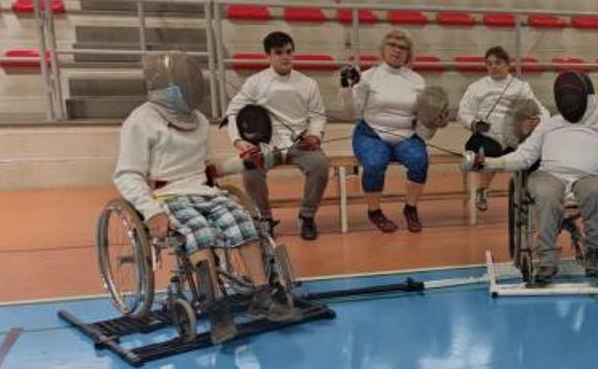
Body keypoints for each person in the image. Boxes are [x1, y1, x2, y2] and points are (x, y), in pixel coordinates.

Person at [113, 52, 293, 342]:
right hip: (166, 196)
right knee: (201, 233)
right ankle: (216, 304)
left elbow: (209, 168)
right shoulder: (140, 120)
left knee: (244, 224)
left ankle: (262, 294)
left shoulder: (197, 119)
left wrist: (246, 161)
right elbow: (126, 174)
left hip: (203, 190)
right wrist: (150, 210)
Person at [465, 71, 598, 285]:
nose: (568, 102)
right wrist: (488, 163)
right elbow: (524, 156)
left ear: (586, 98)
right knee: (545, 193)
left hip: (589, 178)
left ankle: (595, 254)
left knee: (596, 190)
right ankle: (547, 259)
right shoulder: (549, 124)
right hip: (549, 176)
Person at [339, 30, 449, 233]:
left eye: (402, 47)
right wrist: (346, 88)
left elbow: (423, 119)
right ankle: (374, 212)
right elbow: (353, 112)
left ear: (409, 53)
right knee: (375, 163)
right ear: (383, 49)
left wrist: (435, 123)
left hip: (405, 135)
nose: (397, 50)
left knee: (419, 161)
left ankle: (410, 208)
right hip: (371, 133)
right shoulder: (367, 76)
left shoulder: (417, 80)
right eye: (392, 45)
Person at [225, 31, 329, 240]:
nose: (285, 57)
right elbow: (233, 111)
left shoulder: (308, 84)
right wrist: (239, 141)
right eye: (279, 52)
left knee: (320, 166)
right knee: (250, 168)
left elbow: (318, 116)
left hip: (300, 143)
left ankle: (307, 216)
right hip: (266, 144)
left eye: (289, 52)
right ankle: (264, 218)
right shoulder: (255, 82)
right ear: (268, 55)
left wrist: (315, 136)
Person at [457, 46, 549, 212]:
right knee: (488, 151)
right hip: (487, 135)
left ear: (508, 65)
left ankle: (528, 193)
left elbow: (542, 111)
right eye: (489, 63)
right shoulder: (476, 87)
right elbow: (463, 113)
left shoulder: (521, 87)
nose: (493, 66)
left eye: (497, 63)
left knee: (533, 155)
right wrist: (474, 124)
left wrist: (538, 120)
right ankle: (482, 191)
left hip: (515, 136)